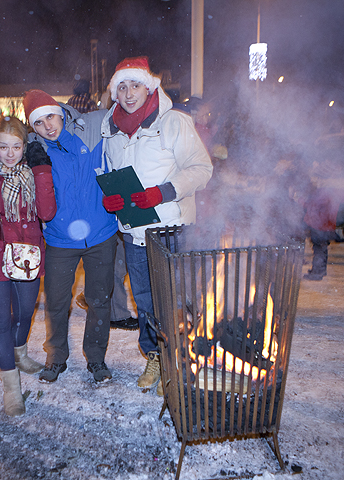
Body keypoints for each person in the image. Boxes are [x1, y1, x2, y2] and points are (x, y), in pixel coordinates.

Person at [101, 57, 213, 395]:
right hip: (135, 232)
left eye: (135, 85)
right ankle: (156, 357)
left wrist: (164, 192)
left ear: (149, 87)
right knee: (145, 301)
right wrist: (112, 201)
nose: (128, 93)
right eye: (122, 86)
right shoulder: (111, 128)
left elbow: (202, 169)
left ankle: (181, 360)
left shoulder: (173, 121)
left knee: (177, 299)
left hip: (171, 228)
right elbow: (111, 173)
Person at [23, 88, 119, 384]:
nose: (48, 126)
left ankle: (96, 357)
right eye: (39, 123)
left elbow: (122, 108)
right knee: (56, 301)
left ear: (61, 113)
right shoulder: (35, 150)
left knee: (99, 299)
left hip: (101, 233)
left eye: (50, 117)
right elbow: (6, 153)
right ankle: (56, 357)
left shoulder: (90, 128)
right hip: (60, 238)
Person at [0, 116, 56, 415]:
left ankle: (19, 353)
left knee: (24, 313)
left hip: (27, 254)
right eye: (3, 146)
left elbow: (47, 212)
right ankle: (11, 386)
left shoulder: (33, 174)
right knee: (0, 322)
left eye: (17, 146)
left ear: (25, 146)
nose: (10, 154)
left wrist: (42, 169)